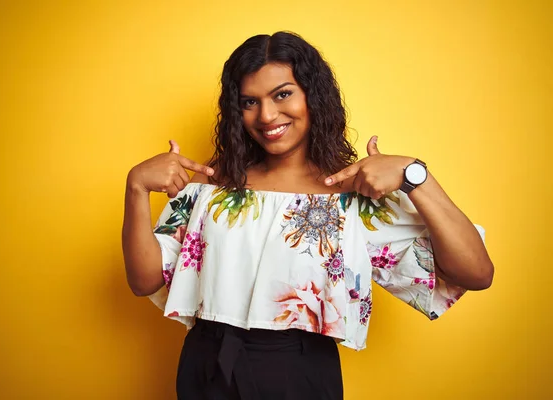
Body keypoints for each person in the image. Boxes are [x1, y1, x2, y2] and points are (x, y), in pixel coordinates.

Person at [122, 31, 494, 400]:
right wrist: (136, 187)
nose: (266, 115)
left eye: (282, 94)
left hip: (299, 374)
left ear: (313, 96)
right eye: (249, 101)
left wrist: (416, 176)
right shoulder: (213, 185)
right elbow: (144, 280)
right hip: (206, 364)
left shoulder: (351, 195)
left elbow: (476, 273)